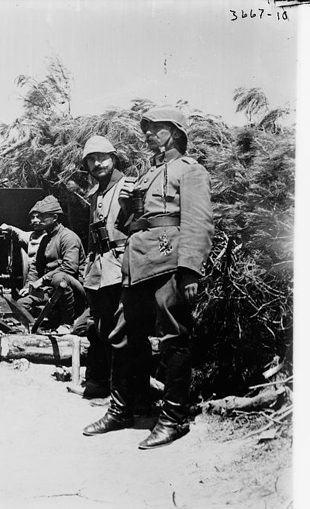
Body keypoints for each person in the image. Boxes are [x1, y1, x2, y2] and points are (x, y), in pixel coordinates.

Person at [82, 107, 213, 450]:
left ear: (175, 133)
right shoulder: (146, 175)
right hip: (138, 263)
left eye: (156, 128)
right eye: (148, 128)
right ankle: (123, 409)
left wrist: (190, 269)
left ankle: (173, 418)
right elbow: (132, 226)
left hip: (170, 261)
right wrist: (127, 208)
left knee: (173, 338)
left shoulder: (191, 171)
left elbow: (198, 222)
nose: (149, 133)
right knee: (123, 336)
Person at [63, 136, 132, 401]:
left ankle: (122, 394)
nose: (97, 163)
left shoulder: (128, 186)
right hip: (99, 269)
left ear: (114, 158)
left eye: (102, 157)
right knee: (98, 329)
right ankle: (98, 385)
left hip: (122, 266)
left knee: (120, 331)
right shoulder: (95, 194)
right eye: (91, 159)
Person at [14, 195, 87, 335]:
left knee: (59, 278)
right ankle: (38, 327)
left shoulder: (68, 237)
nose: (37, 220)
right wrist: (28, 286)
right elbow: (36, 267)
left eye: (42, 216)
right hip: (51, 291)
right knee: (22, 303)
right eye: (35, 216)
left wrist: (41, 281)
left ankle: (68, 323)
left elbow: (70, 268)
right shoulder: (46, 239)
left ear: (54, 218)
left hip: (73, 292)